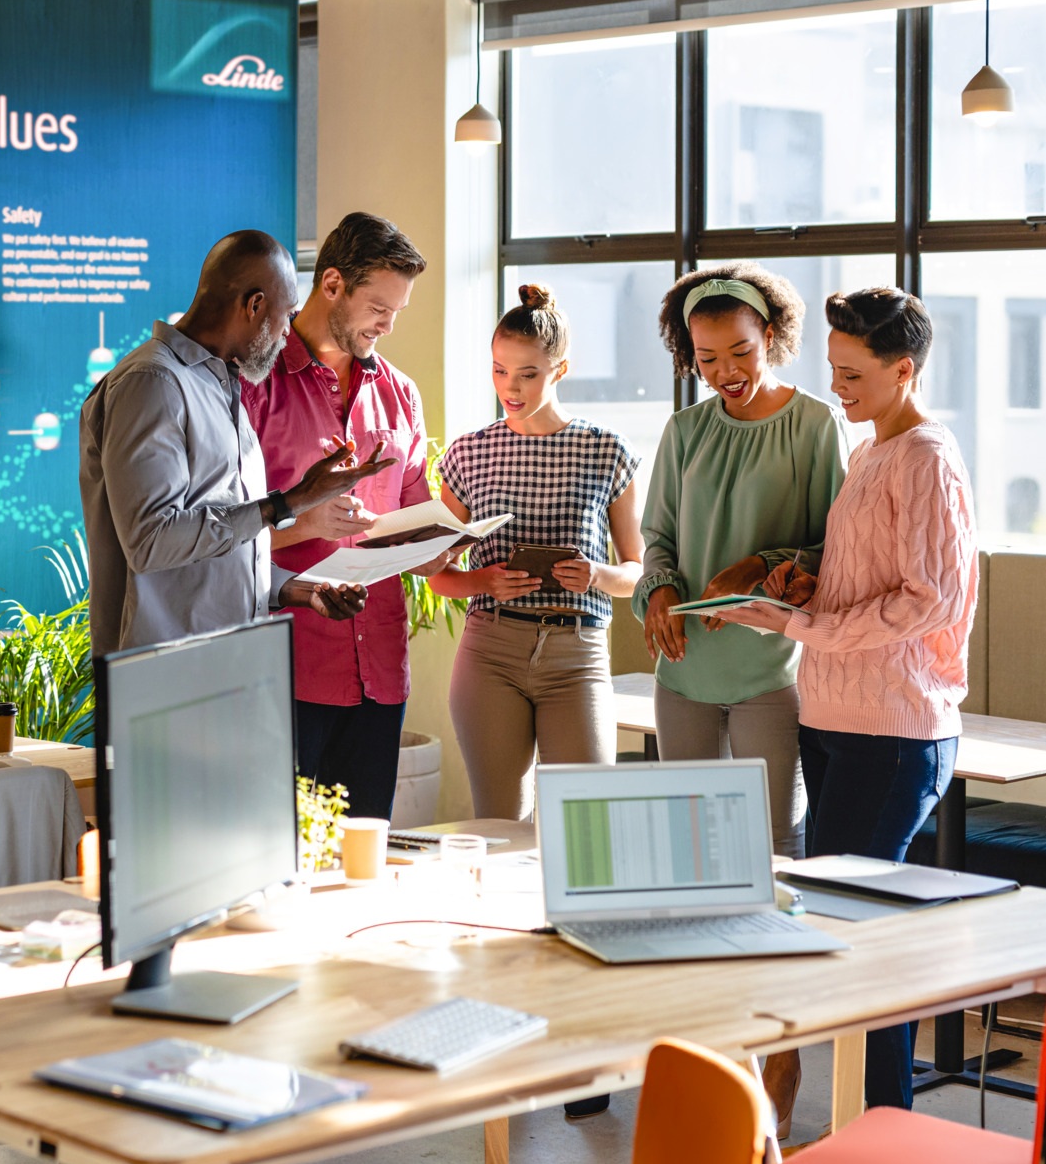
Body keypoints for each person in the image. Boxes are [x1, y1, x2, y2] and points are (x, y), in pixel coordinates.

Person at [719, 286, 978, 1113]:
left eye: (855, 373)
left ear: (905, 370)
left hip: (893, 730)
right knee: (835, 927)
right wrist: (807, 589)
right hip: (834, 717)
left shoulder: (927, 458)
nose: (838, 388)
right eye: (831, 369)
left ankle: (881, 1129)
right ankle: (866, 1123)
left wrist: (807, 627)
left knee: (860, 938)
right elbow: (868, 579)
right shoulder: (870, 451)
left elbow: (926, 600)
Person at [79, 229, 391, 658]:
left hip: (228, 663)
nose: (286, 334)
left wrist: (301, 591)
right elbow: (152, 541)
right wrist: (289, 503)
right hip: (160, 675)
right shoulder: (152, 382)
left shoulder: (225, 385)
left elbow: (219, 556)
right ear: (254, 305)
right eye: (286, 315)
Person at [635, 263, 850, 859]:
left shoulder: (816, 424)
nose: (725, 372)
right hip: (684, 671)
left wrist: (758, 564)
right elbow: (658, 535)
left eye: (740, 351)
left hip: (774, 668)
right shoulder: (684, 430)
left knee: (775, 843)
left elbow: (837, 545)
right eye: (707, 358)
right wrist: (658, 590)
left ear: (772, 338)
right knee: (690, 843)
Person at [243, 212, 435, 822]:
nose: (389, 324)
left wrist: (447, 541)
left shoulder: (400, 391)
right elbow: (214, 534)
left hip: (379, 666)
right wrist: (307, 525)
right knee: (278, 854)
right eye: (379, 306)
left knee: (364, 855)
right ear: (331, 286)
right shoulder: (252, 387)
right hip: (285, 671)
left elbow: (410, 511)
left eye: (398, 311)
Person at [430, 284, 645, 822]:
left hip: (577, 654)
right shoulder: (469, 452)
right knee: (498, 823)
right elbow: (437, 574)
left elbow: (637, 572)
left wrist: (595, 574)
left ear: (561, 369)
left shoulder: (606, 450)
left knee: (584, 821)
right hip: (490, 653)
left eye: (527, 373)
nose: (511, 386)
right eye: (500, 370)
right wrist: (485, 583)